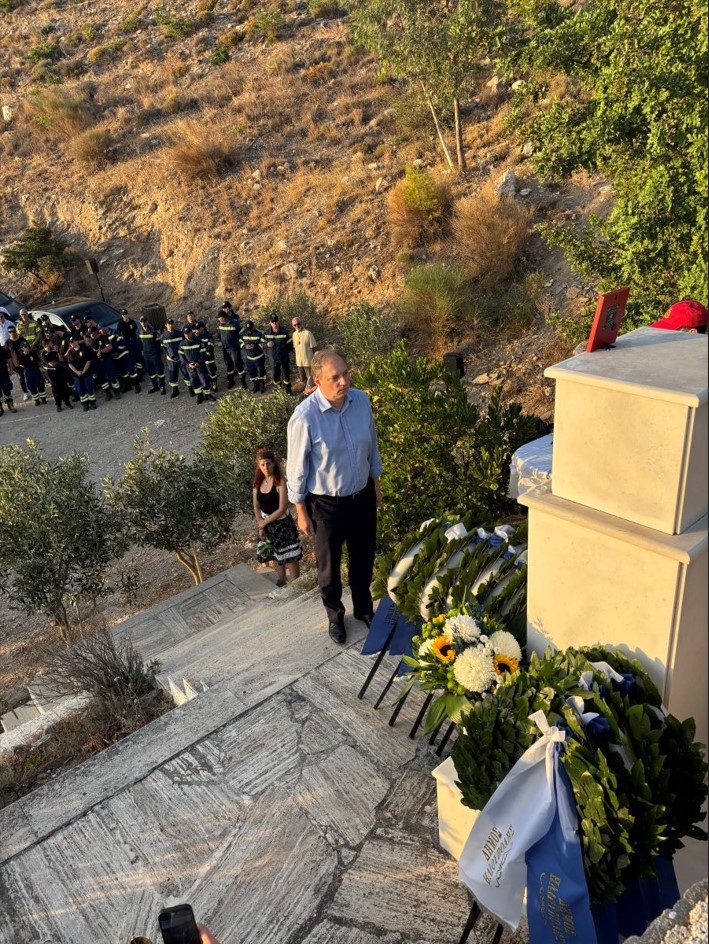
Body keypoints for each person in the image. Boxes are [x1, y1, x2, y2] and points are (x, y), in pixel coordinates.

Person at [286, 348, 383, 643]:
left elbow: (372, 444)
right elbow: (296, 469)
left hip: (362, 496)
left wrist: (376, 485)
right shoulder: (305, 418)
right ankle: (335, 616)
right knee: (328, 568)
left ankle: (364, 609)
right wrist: (300, 511)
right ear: (317, 381)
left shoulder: (361, 401)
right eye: (335, 377)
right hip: (326, 505)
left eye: (346, 373)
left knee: (363, 557)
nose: (343, 381)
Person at [252, 448, 302, 587]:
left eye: (268, 463)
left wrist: (264, 523)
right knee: (276, 555)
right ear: (259, 466)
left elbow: (282, 508)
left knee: (291, 556)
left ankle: (296, 585)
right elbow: (256, 506)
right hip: (267, 526)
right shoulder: (257, 483)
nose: (265, 467)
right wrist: (260, 525)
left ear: (273, 463)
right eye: (262, 464)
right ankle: (281, 581)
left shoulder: (280, 481)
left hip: (283, 525)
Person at [179, 325, 215, 404]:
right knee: (194, 382)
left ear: (191, 333)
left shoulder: (199, 342)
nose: (187, 335)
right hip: (190, 368)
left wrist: (198, 362)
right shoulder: (182, 344)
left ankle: (208, 395)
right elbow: (181, 356)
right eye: (185, 334)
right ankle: (200, 396)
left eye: (188, 333)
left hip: (200, 366)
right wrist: (188, 364)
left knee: (205, 380)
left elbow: (203, 354)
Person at [216, 307, 247, 390]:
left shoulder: (234, 324)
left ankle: (243, 383)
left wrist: (240, 344)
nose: (220, 320)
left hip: (234, 348)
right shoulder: (220, 326)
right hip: (225, 349)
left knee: (237, 364)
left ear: (225, 317)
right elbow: (220, 336)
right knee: (228, 365)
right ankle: (231, 381)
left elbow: (242, 334)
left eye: (221, 318)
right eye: (219, 319)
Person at [41, 338, 74, 412]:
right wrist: (58, 362)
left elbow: (62, 359)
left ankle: (67, 402)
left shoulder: (54, 351)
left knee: (64, 386)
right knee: (56, 389)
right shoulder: (43, 354)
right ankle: (58, 405)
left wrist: (58, 352)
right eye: (50, 343)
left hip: (60, 370)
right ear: (46, 345)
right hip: (52, 372)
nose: (52, 344)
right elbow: (52, 364)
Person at [162, 317, 192, 398]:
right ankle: (175, 390)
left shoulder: (179, 333)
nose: (171, 325)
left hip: (181, 358)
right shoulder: (163, 336)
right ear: (166, 325)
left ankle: (190, 389)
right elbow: (164, 347)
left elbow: (184, 344)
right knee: (173, 375)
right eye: (169, 324)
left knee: (186, 374)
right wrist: (169, 354)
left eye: (172, 323)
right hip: (171, 360)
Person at [263, 312, 293, 394]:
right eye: (272, 322)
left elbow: (290, 346)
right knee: (276, 377)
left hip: (283, 359)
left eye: (276, 321)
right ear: (270, 322)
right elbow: (261, 343)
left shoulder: (284, 332)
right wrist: (266, 344)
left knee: (286, 376)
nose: (274, 323)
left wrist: (283, 352)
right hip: (273, 360)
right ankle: (278, 392)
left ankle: (288, 392)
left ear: (278, 321)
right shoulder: (266, 333)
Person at [66, 336, 98, 410]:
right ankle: (85, 404)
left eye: (72, 342)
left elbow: (88, 361)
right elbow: (69, 364)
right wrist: (77, 372)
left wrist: (83, 371)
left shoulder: (84, 349)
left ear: (76, 342)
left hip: (86, 372)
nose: (71, 343)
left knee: (89, 387)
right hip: (76, 375)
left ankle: (92, 403)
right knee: (80, 390)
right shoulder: (70, 352)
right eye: (70, 343)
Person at [139, 315, 167, 394]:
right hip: (146, 355)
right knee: (151, 373)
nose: (143, 323)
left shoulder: (153, 331)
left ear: (147, 322)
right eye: (142, 322)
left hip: (154, 354)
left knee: (159, 371)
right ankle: (155, 386)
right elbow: (141, 343)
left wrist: (159, 354)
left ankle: (162, 386)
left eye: (145, 321)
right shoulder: (139, 331)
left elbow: (158, 343)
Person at [16, 340, 49, 405]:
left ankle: (43, 398)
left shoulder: (33, 353)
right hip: (28, 371)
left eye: (27, 346)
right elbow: (20, 364)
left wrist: (41, 367)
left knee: (40, 384)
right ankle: (36, 400)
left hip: (36, 370)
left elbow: (38, 361)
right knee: (31, 385)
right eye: (25, 347)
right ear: (22, 348)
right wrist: (26, 367)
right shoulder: (21, 356)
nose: (27, 348)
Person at [240, 318, 266, 394]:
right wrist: (245, 346)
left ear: (253, 326)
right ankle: (256, 386)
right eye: (248, 329)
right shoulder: (243, 333)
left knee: (261, 372)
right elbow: (240, 342)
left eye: (250, 329)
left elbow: (263, 343)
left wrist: (255, 346)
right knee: (252, 372)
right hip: (249, 358)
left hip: (259, 357)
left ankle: (262, 386)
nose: (249, 331)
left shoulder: (259, 333)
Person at [291, 316, 316, 387]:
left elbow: (314, 347)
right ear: (293, 326)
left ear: (301, 323)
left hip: (308, 362)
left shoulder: (308, 333)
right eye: (295, 325)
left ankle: (312, 392)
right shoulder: (294, 335)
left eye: (298, 324)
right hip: (299, 362)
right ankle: (305, 392)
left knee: (311, 381)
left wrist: (316, 360)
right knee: (303, 381)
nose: (297, 326)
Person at [0, 342, 17, 414]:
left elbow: (9, 358)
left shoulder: (1, 349)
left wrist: (11, 369)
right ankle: (0, 408)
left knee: (7, 389)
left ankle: (10, 405)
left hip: (4, 374)